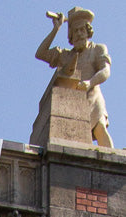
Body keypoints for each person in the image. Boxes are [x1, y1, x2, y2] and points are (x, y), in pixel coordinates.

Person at [36, 8, 113, 149]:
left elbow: (105, 71)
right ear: (71, 36)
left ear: (88, 32)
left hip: (93, 96)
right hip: (73, 103)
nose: (78, 34)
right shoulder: (66, 56)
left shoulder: (98, 49)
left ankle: (114, 163)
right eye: (75, 31)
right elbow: (40, 53)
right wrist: (56, 29)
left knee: (100, 127)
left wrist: (90, 83)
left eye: (82, 30)